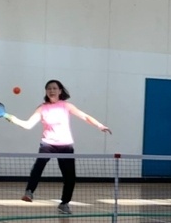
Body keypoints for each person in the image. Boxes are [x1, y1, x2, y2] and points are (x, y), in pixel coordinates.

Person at [6, 80, 111, 214]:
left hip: (65, 145)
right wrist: (10, 117)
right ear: (46, 91)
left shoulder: (66, 106)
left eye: (54, 88)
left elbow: (84, 116)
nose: (51, 90)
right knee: (39, 165)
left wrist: (99, 125)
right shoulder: (42, 108)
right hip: (48, 143)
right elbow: (27, 125)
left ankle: (64, 203)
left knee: (70, 177)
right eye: (49, 88)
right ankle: (29, 192)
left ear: (60, 91)